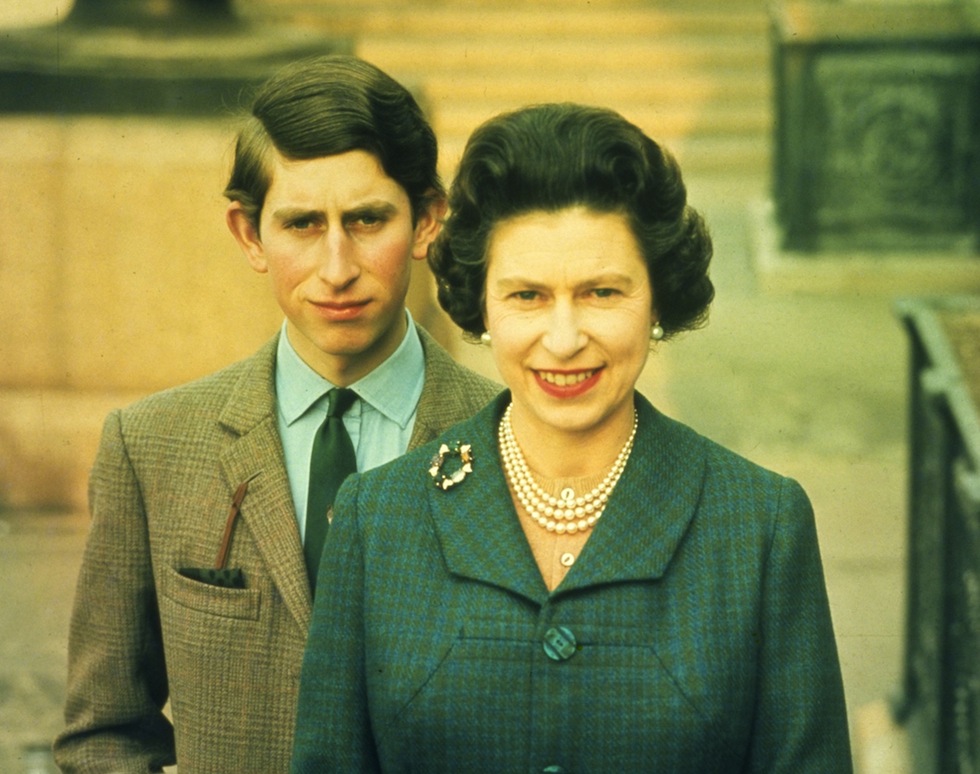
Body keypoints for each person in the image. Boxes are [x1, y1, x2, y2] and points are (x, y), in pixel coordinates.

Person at [291, 103, 852, 772]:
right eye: (527, 296)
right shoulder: (377, 518)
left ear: (657, 299)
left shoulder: (758, 524)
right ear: (482, 304)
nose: (562, 340)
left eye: (601, 293)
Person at [53, 54, 500, 773]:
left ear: (426, 220)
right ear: (250, 235)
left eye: (367, 220)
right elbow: (103, 733)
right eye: (301, 224)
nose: (336, 267)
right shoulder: (153, 446)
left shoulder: (512, 438)